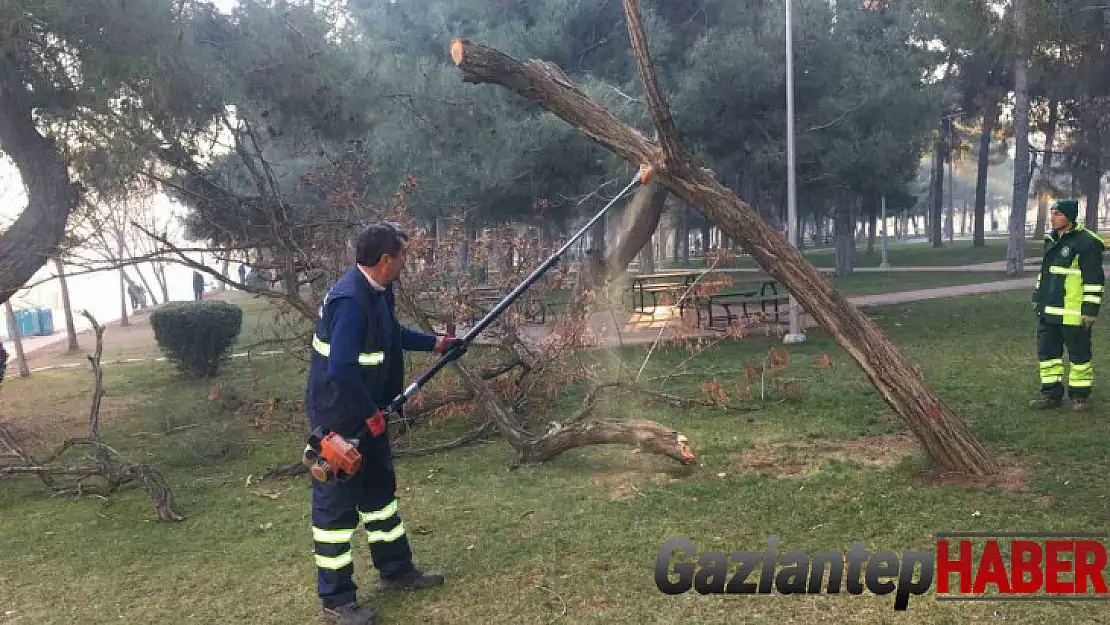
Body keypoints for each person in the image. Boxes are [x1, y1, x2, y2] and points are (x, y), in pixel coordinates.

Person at [304, 222, 466, 625]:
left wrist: (436, 343)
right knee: (336, 514)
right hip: (340, 420)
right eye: (402, 256)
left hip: (369, 411)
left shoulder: (378, 291)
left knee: (380, 498)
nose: (405, 263)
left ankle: (396, 569)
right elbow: (341, 369)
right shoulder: (349, 301)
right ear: (384, 260)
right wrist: (370, 415)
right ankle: (337, 602)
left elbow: (389, 333)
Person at [1030, 199, 1105, 411]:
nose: (1052, 217)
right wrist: (1038, 297)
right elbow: (1046, 274)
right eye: (1052, 213)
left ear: (1069, 218)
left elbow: (1094, 280)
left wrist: (1090, 310)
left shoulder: (1086, 243)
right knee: (1048, 356)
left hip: (1073, 312)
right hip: (1048, 311)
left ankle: (1080, 397)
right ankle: (1051, 395)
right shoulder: (1051, 240)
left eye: (1058, 214)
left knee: (1079, 356)